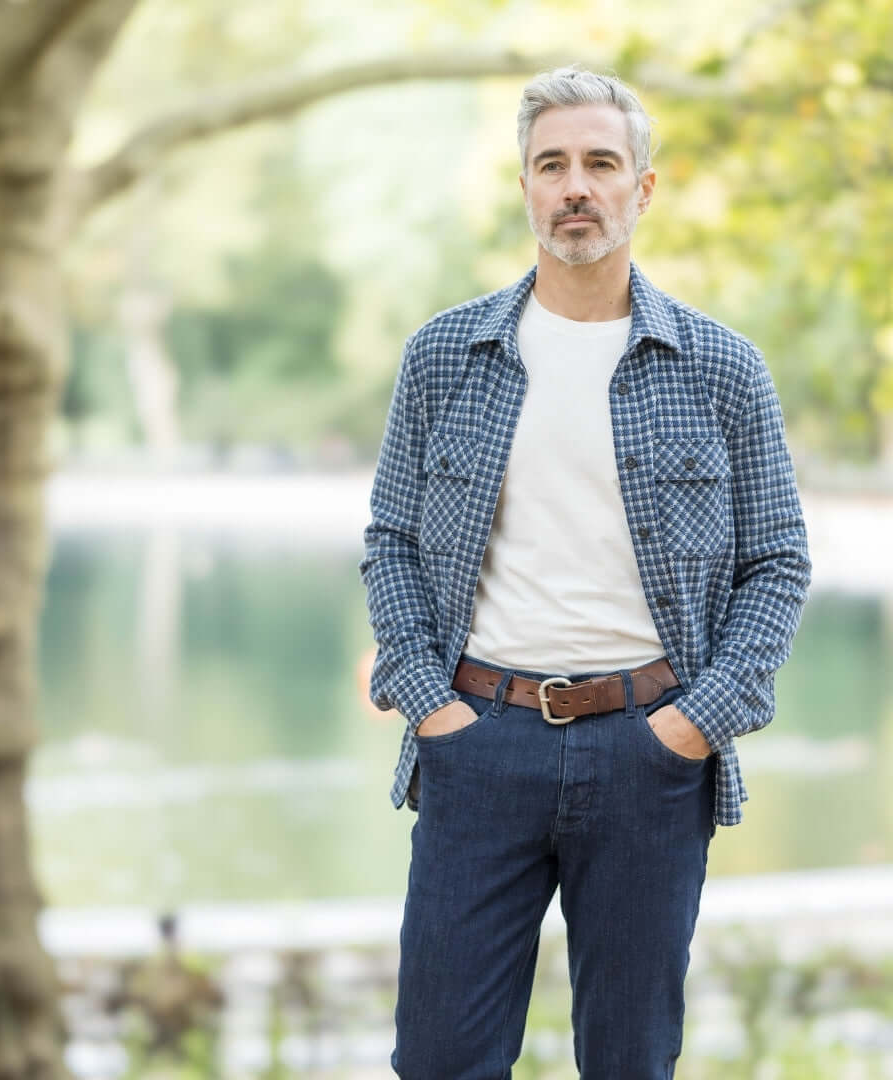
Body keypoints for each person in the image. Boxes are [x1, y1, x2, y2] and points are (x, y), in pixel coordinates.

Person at [359, 65, 811, 1080]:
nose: (576, 186)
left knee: (629, 1063)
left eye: (601, 163)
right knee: (437, 1061)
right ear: (523, 186)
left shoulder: (720, 367)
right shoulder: (444, 355)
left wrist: (693, 726)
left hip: (649, 758)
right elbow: (389, 538)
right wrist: (432, 707)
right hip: (477, 749)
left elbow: (777, 564)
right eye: (551, 164)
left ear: (642, 187)